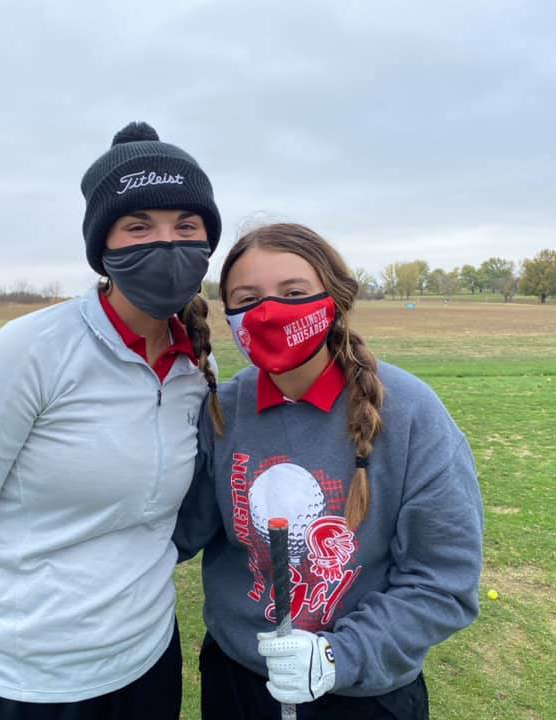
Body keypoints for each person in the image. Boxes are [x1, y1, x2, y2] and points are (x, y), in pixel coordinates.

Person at [0, 121, 222, 720]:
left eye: (186, 225)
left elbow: (169, 525)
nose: (168, 243)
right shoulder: (24, 355)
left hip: (146, 669)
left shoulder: (197, 368)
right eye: (139, 225)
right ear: (104, 247)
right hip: (15, 688)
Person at [174, 223, 484, 720]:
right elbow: (178, 530)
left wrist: (338, 657)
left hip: (363, 693)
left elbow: (442, 581)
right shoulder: (223, 410)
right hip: (238, 683)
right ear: (228, 315)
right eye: (247, 298)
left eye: (293, 293)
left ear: (334, 298)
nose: (269, 312)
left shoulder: (411, 413)